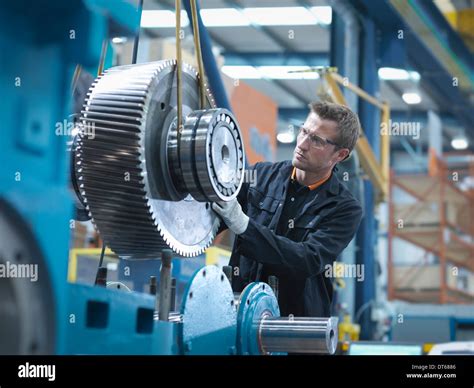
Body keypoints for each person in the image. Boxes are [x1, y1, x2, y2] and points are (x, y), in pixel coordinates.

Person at [212, 101, 363, 317]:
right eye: (304, 131)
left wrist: (245, 226)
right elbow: (211, 218)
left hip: (296, 325)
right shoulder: (260, 176)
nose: (302, 144)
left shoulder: (344, 209)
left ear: (339, 155)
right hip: (239, 312)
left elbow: (307, 259)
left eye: (317, 140)